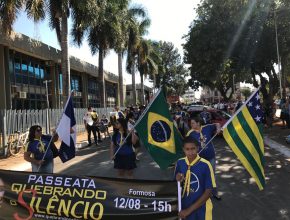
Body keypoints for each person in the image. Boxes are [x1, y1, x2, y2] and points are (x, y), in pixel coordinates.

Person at [175, 136, 216, 219]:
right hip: (183, 207)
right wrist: (177, 179)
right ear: (183, 149)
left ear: (197, 148)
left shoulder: (205, 165)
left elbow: (208, 191)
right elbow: (175, 185)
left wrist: (188, 211)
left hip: (201, 210)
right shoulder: (180, 162)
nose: (190, 152)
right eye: (187, 149)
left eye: (193, 149)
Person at [186, 117, 221, 200]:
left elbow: (217, 124)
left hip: (211, 157)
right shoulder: (190, 133)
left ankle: (214, 192)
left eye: (193, 123)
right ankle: (202, 194)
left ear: (198, 123)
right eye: (191, 123)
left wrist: (218, 128)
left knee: (212, 176)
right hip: (199, 159)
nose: (191, 125)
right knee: (201, 176)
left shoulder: (207, 128)